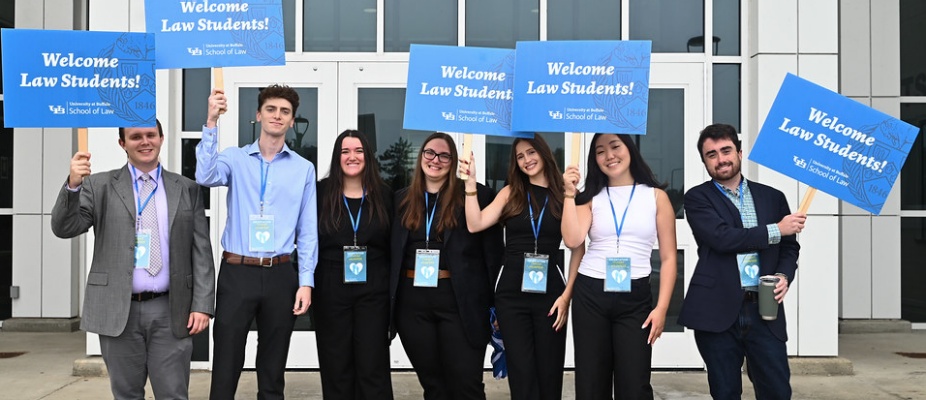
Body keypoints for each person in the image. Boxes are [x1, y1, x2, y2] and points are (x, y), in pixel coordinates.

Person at [51, 121, 215, 400]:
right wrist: (73, 185)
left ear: (162, 138)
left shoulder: (187, 188)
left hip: (171, 310)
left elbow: (201, 252)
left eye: (151, 135)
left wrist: (202, 305)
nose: (145, 141)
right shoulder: (98, 185)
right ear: (122, 143)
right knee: (126, 394)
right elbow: (64, 228)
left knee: (174, 394)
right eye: (135, 136)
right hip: (118, 310)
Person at [197, 85, 318, 400]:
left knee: (273, 368)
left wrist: (306, 281)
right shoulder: (234, 158)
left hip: (281, 274)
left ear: (292, 121)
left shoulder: (304, 169)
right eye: (271, 109)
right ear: (258, 115)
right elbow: (205, 175)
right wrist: (211, 122)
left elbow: (307, 231)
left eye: (285, 112)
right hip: (238, 272)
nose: (277, 116)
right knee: (226, 362)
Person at [679, 123, 804, 400]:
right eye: (711, 154)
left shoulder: (772, 197)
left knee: (777, 391)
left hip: (765, 308)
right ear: (704, 161)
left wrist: (784, 276)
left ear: (739, 152)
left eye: (726, 150)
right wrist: (776, 229)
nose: (720, 159)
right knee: (725, 392)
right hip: (717, 310)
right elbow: (722, 238)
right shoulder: (698, 198)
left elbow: (789, 248)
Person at [560, 133, 678, 399]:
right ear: (595, 159)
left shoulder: (656, 197)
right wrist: (569, 195)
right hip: (590, 293)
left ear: (630, 149)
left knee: (634, 386)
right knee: (591, 384)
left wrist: (661, 308)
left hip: (635, 299)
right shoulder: (590, 196)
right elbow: (572, 239)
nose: (609, 155)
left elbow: (670, 258)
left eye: (615, 146)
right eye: (600, 151)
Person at [389, 132, 504, 400]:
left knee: (466, 384)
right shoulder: (401, 199)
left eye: (444, 155)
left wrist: (495, 304)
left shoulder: (476, 196)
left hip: (459, 300)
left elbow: (492, 255)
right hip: (413, 302)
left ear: (453, 162)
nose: (435, 160)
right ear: (420, 158)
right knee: (433, 385)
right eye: (429, 153)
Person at [457, 135, 570, 400]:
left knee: (550, 370)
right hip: (511, 295)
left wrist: (567, 296)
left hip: (552, 295)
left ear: (544, 153)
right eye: (520, 157)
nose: (526, 160)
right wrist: (470, 184)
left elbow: (578, 247)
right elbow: (476, 223)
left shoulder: (564, 194)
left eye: (531, 153)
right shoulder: (510, 193)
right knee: (521, 372)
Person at [314, 129, 394, 399]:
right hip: (330, 285)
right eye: (345, 151)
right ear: (337, 157)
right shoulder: (320, 192)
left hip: (374, 288)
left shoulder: (384, 195)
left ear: (368, 156)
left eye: (358, 151)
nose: (352, 157)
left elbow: (392, 245)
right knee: (336, 363)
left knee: (373, 364)